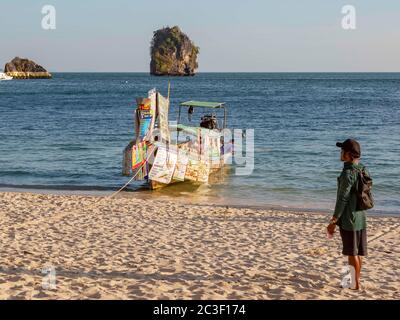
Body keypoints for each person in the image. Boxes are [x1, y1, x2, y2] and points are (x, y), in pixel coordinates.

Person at [327, 139, 370, 290]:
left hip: (349, 219)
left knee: (351, 254)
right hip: (360, 216)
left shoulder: (347, 173)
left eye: (342, 151)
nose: (340, 153)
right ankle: (354, 282)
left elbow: (342, 199)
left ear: (348, 155)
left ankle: (355, 284)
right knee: (357, 253)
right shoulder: (362, 168)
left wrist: (333, 220)